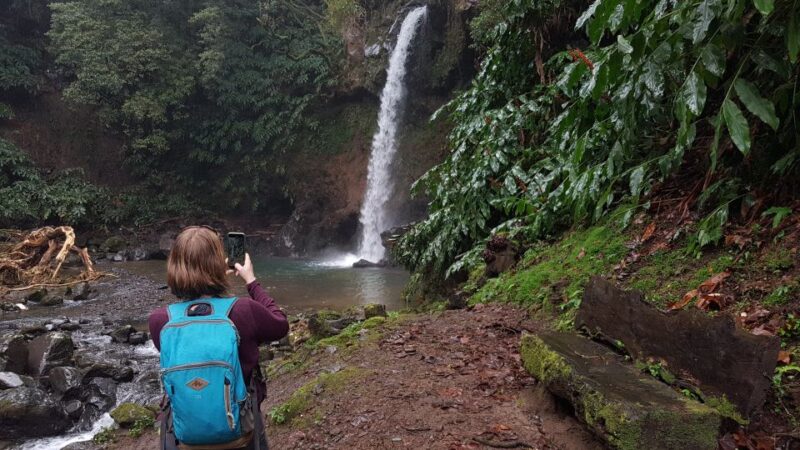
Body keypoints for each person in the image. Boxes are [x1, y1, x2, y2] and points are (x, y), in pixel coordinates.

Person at [149, 226, 289, 449]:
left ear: (174, 266)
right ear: (218, 263)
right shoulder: (244, 311)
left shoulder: (160, 320)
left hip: (184, 436)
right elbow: (280, 324)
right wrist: (251, 282)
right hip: (240, 431)